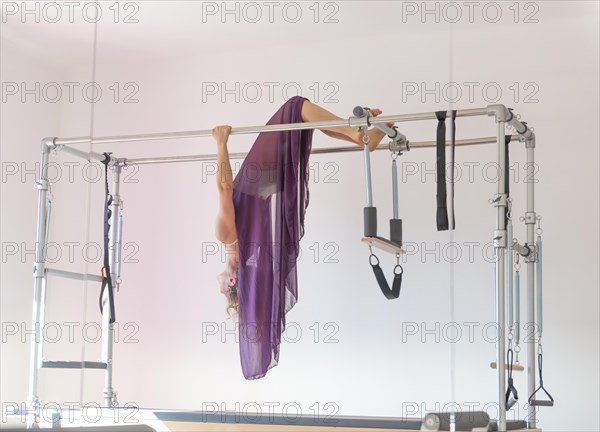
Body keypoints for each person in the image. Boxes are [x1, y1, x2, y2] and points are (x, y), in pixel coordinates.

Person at [211, 96, 392, 379]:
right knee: (295, 106)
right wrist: (221, 143)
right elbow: (224, 188)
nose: (218, 285)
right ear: (232, 280)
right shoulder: (228, 237)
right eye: (222, 287)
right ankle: (356, 133)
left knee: (302, 120)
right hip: (262, 176)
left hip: (269, 179)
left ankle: (356, 134)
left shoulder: (252, 253)